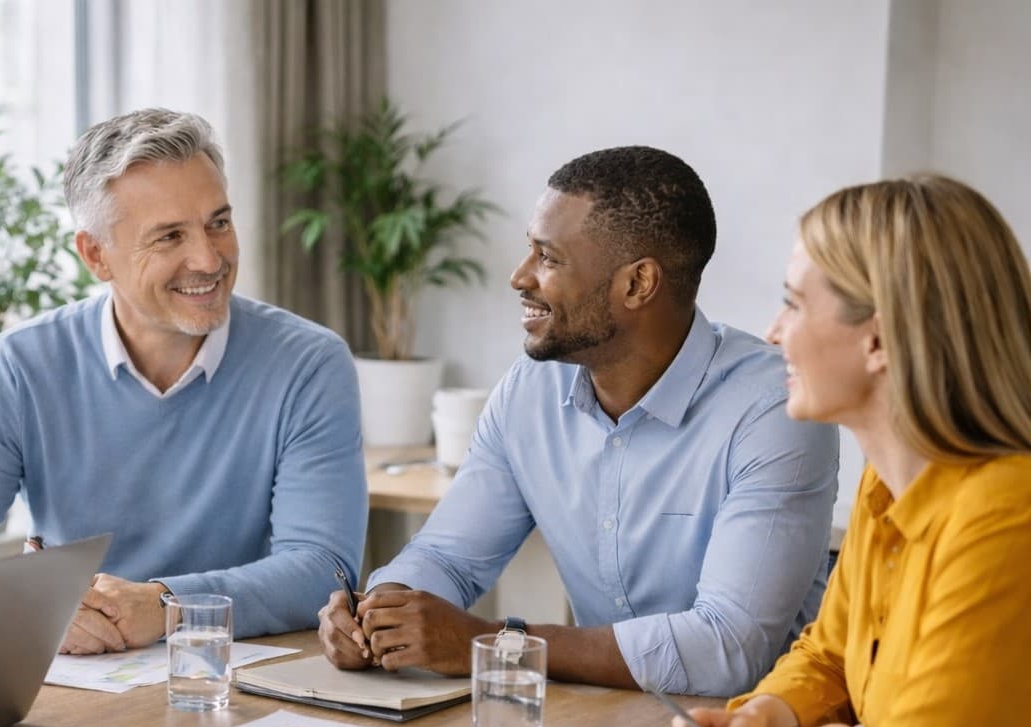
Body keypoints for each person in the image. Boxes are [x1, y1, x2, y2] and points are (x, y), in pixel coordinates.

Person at [671, 177, 1031, 727]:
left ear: (879, 339)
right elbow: (832, 652)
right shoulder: (889, 485)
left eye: (794, 304)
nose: (773, 331)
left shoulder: (1005, 519)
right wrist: (767, 719)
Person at [319, 146, 838, 696]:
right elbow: (449, 557)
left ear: (637, 283)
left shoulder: (774, 408)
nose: (519, 277)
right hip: (597, 721)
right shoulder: (529, 389)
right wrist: (383, 612)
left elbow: (728, 647)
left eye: (548, 258)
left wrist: (493, 644)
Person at [0, 108, 366, 651]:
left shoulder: (308, 364)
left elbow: (322, 568)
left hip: (234, 679)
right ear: (96, 255)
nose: (208, 259)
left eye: (218, 223)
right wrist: (25, 601)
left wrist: (168, 605)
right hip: (77, 677)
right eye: (169, 237)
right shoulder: (22, 366)